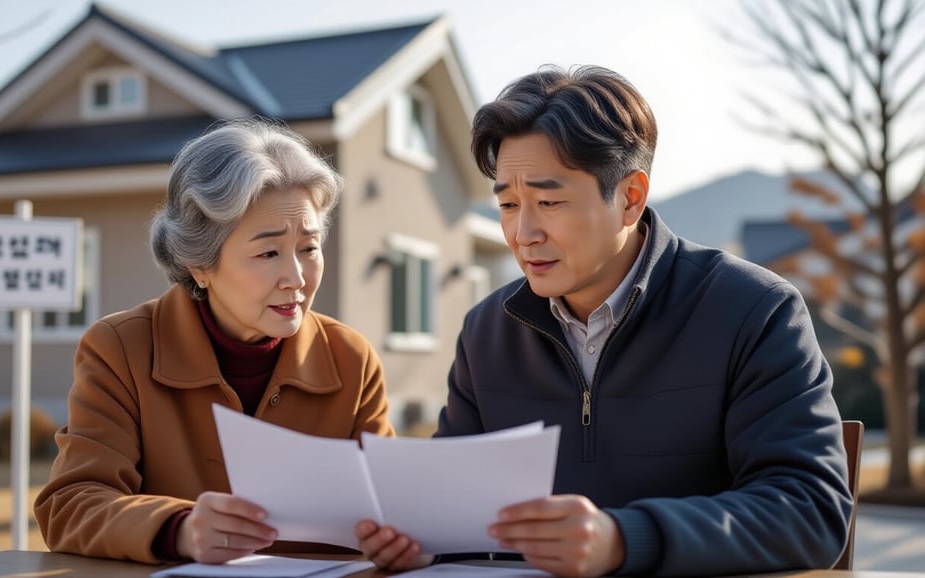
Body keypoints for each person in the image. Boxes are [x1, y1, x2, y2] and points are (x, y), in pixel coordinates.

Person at [356, 65, 853, 577]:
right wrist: (422, 544)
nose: (523, 233)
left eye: (549, 202)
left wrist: (622, 540)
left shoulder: (754, 310)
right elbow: (453, 511)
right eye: (507, 204)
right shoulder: (487, 330)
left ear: (630, 198)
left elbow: (811, 511)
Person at [34, 118, 394, 564]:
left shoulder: (351, 358)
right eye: (268, 253)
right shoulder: (119, 349)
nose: (297, 279)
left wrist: (400, 539)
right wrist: (177, 529)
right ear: (199, 264)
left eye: (309, 247)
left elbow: (391, 508)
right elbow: (70, 506)